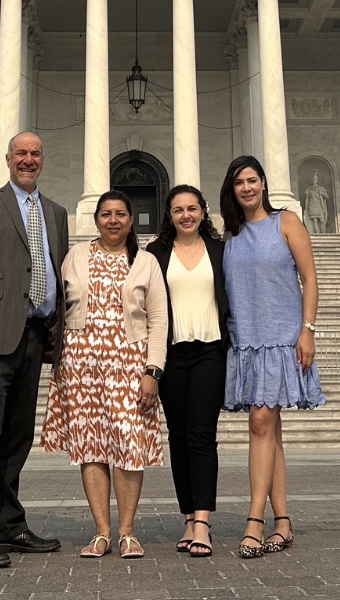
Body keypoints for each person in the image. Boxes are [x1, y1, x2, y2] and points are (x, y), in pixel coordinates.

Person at [0, 131, 69, 569]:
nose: (28, 160)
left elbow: (59, 276)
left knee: (18, 435)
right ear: (8, 159)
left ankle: (9, 522)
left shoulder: (56, 213)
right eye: (21, 153)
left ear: (43, 160)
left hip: (36, 335)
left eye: (35, 153)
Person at [41, 190, 167, 560]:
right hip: (81, 365)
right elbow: (58, 305)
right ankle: (102, 532)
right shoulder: (75, 256)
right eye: (106, 214)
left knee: (130, 447)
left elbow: (159, 320)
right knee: (91, 447)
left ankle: (127, 532)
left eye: (121, 214)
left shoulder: (145, 262)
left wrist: (153, 371)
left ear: (131, 220)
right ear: (96, 219)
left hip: (131, 363)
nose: (114, 220)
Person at [220, 154, 325, 559]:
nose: (246, 188)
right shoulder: (232, 236)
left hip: (282, 337)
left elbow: (310, 276)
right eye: (239, 183)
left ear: (264, 183)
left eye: (252, 180)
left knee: (261, 422)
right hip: (247, 339)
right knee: (270, 431)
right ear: (232, 190)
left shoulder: (287, 222)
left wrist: (308, 330)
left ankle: (253, 521)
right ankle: (282, 522)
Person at [146, 185, 229, 558]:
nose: (186, 215)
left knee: (201, 434)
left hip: (211, 350)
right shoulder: (156, 253)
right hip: (172, 353)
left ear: (203, 211)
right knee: (177, 437)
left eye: (192, 208)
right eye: (178, 209)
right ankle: (187, 518)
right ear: (169, 214)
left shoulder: (220, 250)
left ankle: (203, 521)